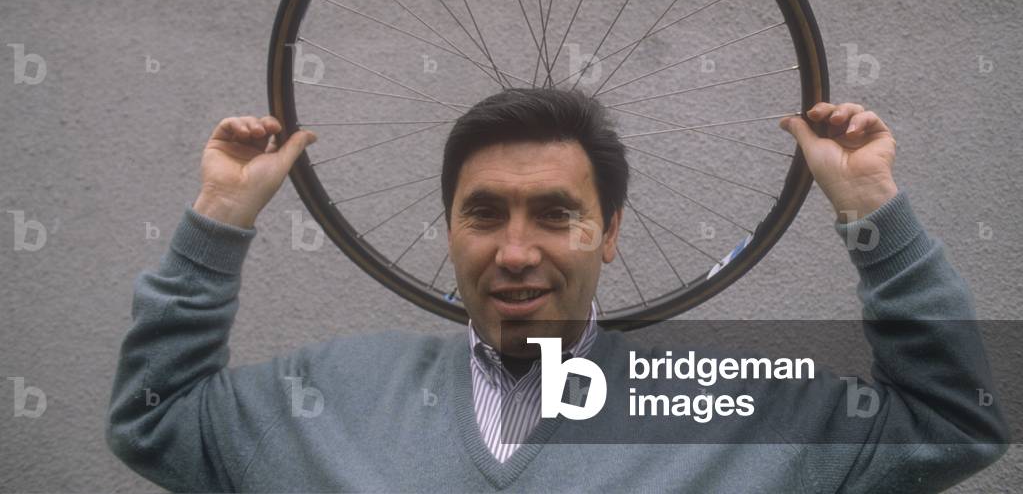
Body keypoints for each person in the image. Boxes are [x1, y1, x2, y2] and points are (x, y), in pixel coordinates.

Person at [105, 88, 1007, 493]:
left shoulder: (725, 409)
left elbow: (954, 420)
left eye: (556, 215)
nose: (516, 251)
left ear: (609, 233)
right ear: (449, 229)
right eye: (484, 213)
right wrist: (220, 215)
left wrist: (868, 208)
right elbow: (156, 418)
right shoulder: (323, 401)